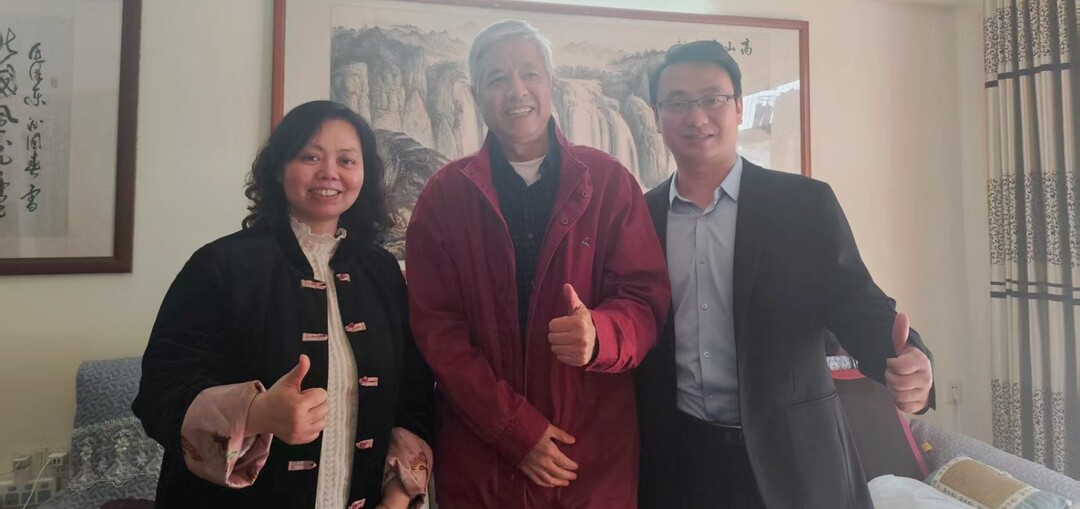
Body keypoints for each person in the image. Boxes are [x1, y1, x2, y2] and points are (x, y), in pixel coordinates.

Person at [635, 41, 936, 508]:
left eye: (712, 98)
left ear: (739, 107)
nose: (696, 116)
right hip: (682, 463)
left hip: (797, 462)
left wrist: (907, 358)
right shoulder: (640, 217)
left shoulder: (803, 205)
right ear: (657, 116)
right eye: (677, 103)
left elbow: (858, 306)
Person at [404, 19, 671, 509]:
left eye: (529, 73)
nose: (516, 91)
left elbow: (644, 301)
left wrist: (599, 334)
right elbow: (438, 330)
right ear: (475, 94)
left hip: (588, 461)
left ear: (551, 83)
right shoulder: (444, 197)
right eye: (497, 78)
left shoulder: (609, 183)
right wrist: (514, 429)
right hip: (482, 463)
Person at [133, 100, 434, 509]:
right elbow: (160, 392)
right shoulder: (220, 265)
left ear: (364, 175)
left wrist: (397, 497)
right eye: (310, 156)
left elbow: (414, 395)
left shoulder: (382, 272)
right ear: (278, 168)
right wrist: (256, 413)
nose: (329, 172)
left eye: (347, 160)